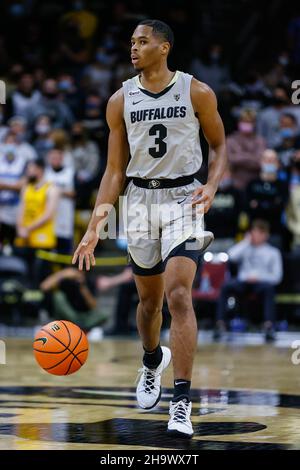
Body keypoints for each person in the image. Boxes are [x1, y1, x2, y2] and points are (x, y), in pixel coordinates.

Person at [72, 19, 227, 438]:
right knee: (148, 305)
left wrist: (211, 185)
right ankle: (150, 358)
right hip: (139, 202)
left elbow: (219, 145)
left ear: (165, 47)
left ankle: (181, 402)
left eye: (142, 42)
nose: (134, 48)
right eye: (132, 43)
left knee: (179, 293)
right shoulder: (120, 99)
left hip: (184, 199)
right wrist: (93, 228)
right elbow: (113, 171)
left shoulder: (196, 91)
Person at [215, 220, 283, 342]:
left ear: (265, 235)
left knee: (269, 289)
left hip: (262, 283)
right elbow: (230, 256)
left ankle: (268, 327)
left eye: (258, 233)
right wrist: (246, 242)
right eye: (253, 232)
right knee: (225, 286)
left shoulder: (273, 252)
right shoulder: (245, 247)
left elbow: (277, 277)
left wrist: (259, 278)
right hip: (243, 282)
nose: (255, 235)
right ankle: (221, 325)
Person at [15, 158, 59, 286]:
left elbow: (48, 215)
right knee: (24, 277)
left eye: (30, 168)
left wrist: (27, 229)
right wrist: (20, 229)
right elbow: (21, 209)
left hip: (42, 240)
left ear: (40, 170)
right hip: (24, 238)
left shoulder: (52, 188)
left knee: (41, 277)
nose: (28, 172)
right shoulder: (26, 187)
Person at [246, 149, 289, 246]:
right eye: (266, 159)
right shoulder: (252, 184)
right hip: (254, 233)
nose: (269, 162)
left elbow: (280, 208)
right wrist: (271, 204)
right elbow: (248, 208)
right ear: (261, 162)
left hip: (275, 233)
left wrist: (258, 204)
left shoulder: (283, 185)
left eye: (272, 160)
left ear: (278, 164)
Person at [45, 147, 76, 254]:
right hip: (48, 215)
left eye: (57, 157)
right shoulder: (45, 173)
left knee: (64, 247)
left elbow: (76, 193)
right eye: (52, 157)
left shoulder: (70, 173)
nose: (55, 160)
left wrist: (58, 191)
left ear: (62, 158)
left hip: (65, 214)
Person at [227, 109, 265, 190]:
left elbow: (259, 162)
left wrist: (240, 155)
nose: (247, 124)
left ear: (254, 123)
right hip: (235, 183)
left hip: (256, 183)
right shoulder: (231, 140)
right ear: (239, 122)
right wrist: (251, 156)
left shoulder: (260, 140)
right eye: (244, 121)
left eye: (249, 122)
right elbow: (231, 160)